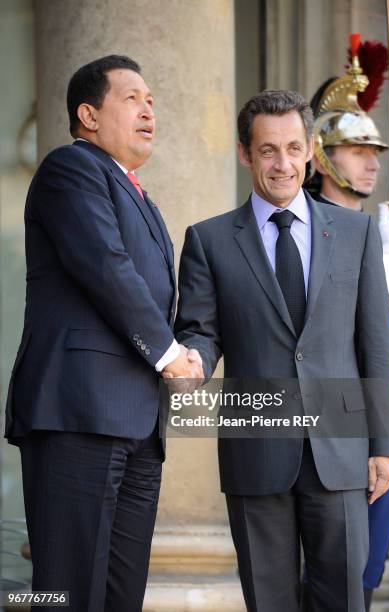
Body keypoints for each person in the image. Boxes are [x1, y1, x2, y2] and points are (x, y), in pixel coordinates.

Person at [175, 89, 389, 612]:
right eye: (268, 150)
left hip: (341, 450)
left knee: (343, 600)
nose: (282, 163)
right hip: (255, 445)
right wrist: (192, 363)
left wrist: (383, 443)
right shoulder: (208, 241)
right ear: (244, 153)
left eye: (293, 148)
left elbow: (373, 341)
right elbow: (201, 331)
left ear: (310, 152)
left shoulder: (355, 233)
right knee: (269, 601)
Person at [4, 55, 203, 612]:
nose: (148, 110)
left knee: (121, 595)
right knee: (67, 593)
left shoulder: (146, 202)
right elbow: (105, 265)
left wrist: (188, 353)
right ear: (88, 115)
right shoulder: (70, 169)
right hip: (79, 411)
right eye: (132, 98)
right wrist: (170, 356)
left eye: (152, 101)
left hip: (139, 423)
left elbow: (157, 300)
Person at [304, 35, 389, 612]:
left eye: (376, 152)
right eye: (356, 150)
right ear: (322, 155)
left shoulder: (378, 230)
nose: (372, 161)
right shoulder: (307, 223)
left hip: (386, 411)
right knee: (331, 569)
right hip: (331, 415)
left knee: (365, 569)